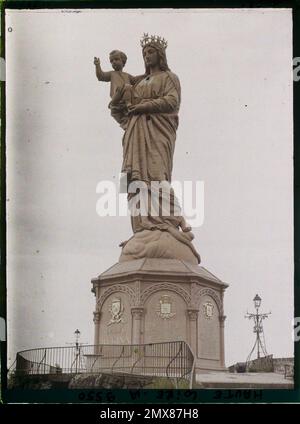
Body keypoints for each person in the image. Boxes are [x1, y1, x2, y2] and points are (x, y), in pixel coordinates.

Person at [120, 34, 194, 244]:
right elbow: (125, 110)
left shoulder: (169, 77)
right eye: (144, 53)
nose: (147, 56)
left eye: (150, 52)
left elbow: (171, 101)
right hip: (135, 134)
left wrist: (143, 106)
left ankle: (174, 221)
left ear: (160, 55)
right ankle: (143, 227)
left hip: (158, 130)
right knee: (135, 179)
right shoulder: (139, 82)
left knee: (157, 175)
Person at [94, 50, 143, 129]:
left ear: (123, 61)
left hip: (126, 96)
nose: (113, 62)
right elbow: (101, 76)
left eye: (116, 59)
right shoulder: (112, 73)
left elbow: (135, 80)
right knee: (122, 88)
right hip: (117, 95)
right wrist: (97, 65)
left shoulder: (127, 75)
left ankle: (128, 104)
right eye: (111, 61)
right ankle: (113, 103)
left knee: (128, 87)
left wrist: (146, 74)